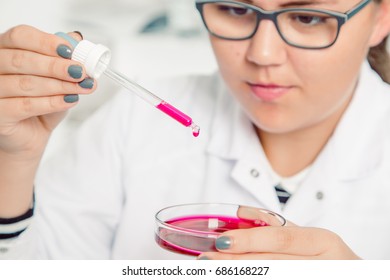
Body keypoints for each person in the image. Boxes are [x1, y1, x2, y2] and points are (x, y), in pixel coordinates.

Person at [0, 0, 389, 260]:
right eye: (235, 9)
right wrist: (12, 163)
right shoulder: (134, 121)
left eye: (307, 17)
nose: (262, 54)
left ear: (380, 18)